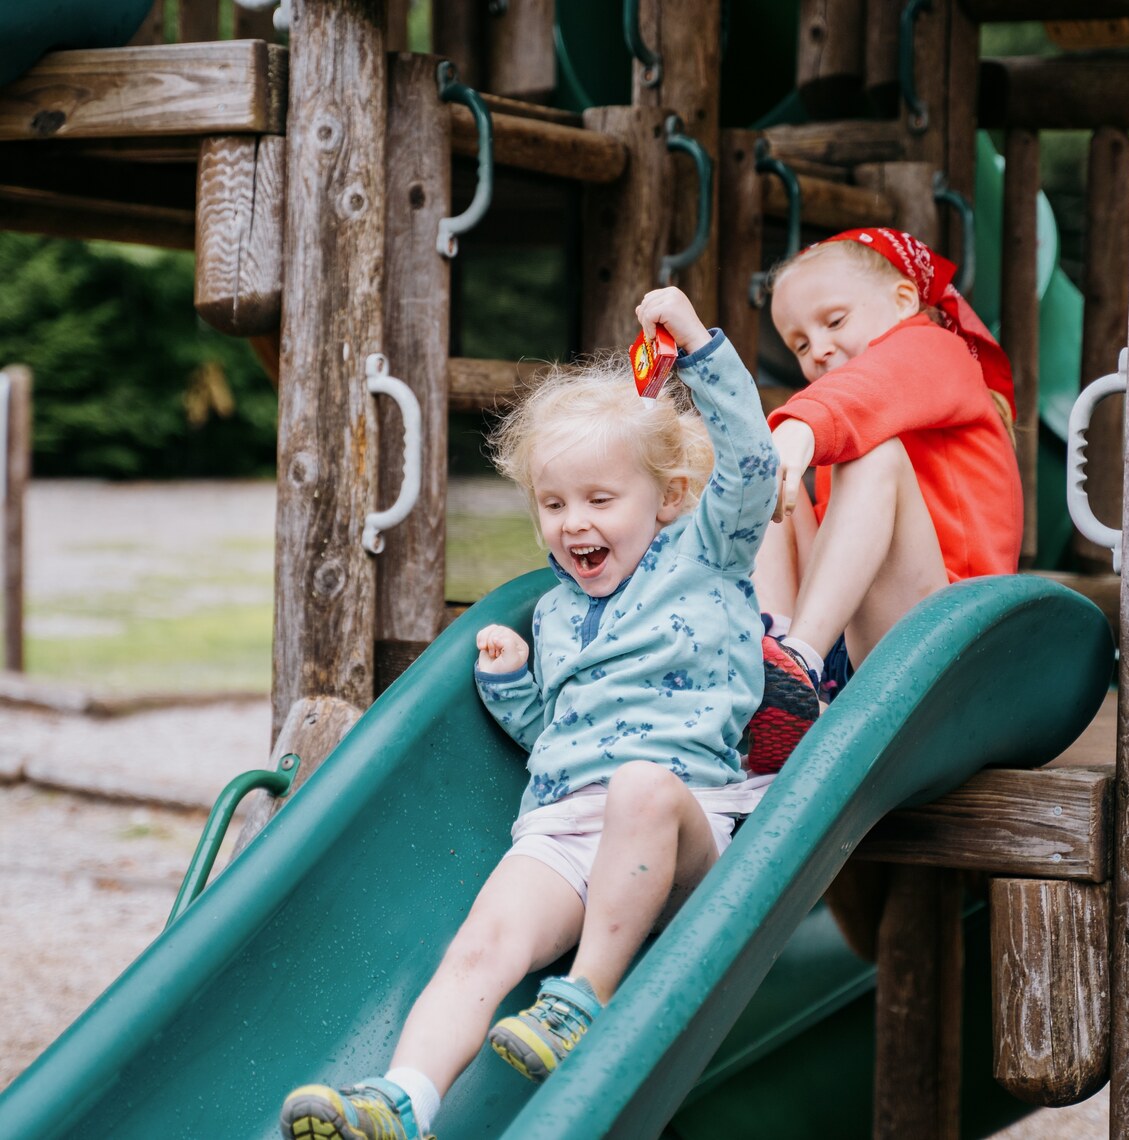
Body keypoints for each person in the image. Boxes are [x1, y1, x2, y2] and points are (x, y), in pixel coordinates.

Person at [278, 287, 780, 1140]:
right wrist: (516, 689)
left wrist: (698, 344)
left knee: (640, 787)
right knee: (480, 945)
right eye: (553, 504)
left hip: (683, 820)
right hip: (565, 825)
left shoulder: (704, 554)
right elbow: (559, 737)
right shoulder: (551, 613)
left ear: (665, 498)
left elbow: (755, 465)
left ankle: (586, 995)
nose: (573, 523)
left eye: (599, 499)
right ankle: (401, 1100)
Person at [749, 226, 1023, 955]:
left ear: (905, 300)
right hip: (867, 655)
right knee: (756, 471)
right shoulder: (846, 406)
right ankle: (770, 663)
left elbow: (872, 387)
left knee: (870, 457)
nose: (818, 350)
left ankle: (797, 664)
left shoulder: (934, 352)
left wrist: (800, 433)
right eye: (800, 343)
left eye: (834, 321)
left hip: (946, 660)